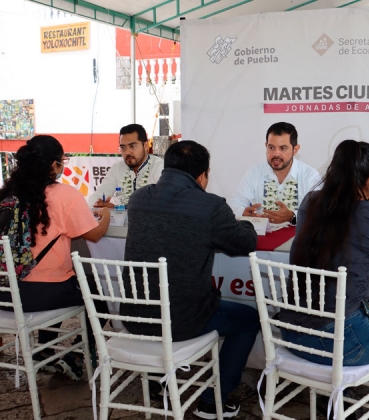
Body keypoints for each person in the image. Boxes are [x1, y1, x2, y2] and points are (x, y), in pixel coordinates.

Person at [279, 140, 369, 420]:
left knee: (358, 310)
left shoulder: (310, 202)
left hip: (292, 333)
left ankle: (332, 399)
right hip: (341, 343)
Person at [120, 140, 259, 419]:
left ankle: (161, 378)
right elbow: (245, 241)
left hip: (134, 316)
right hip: (182, 321)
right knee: (249, 319)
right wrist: (244, 221)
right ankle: (212, 400)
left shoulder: (138, 199)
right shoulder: (210, 206)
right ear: (202, 175)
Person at [0, 135, 110, 380]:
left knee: (65, 281)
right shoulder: (64, 195)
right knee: (99, 290)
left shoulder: (6, 195)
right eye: (61, 162)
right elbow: (94, 234)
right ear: (52, 164)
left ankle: (45, 351)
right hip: (39, 295)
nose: (62, 167)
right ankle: (77, 356)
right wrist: (106, 215)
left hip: (5, 293)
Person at [229, 122, 321, 225]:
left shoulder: (310, 176)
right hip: (263, 237)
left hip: (298, 238)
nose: (276, 153)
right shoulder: (255, 172)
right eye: (271, 147)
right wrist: (243, 212)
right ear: (266, 146)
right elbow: (235, 202)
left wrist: (292, 216)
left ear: (295, 150)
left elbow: (319, 212)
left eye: (283, 148)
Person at [88, 124, 164, 208]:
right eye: (123, 147)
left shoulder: (159, 167)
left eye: (132, 146)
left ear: (145, 146)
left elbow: (161, 204)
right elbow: (100, 193)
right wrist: (97, 204)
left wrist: (117, 208)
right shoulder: (117, 168)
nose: (127, 152)